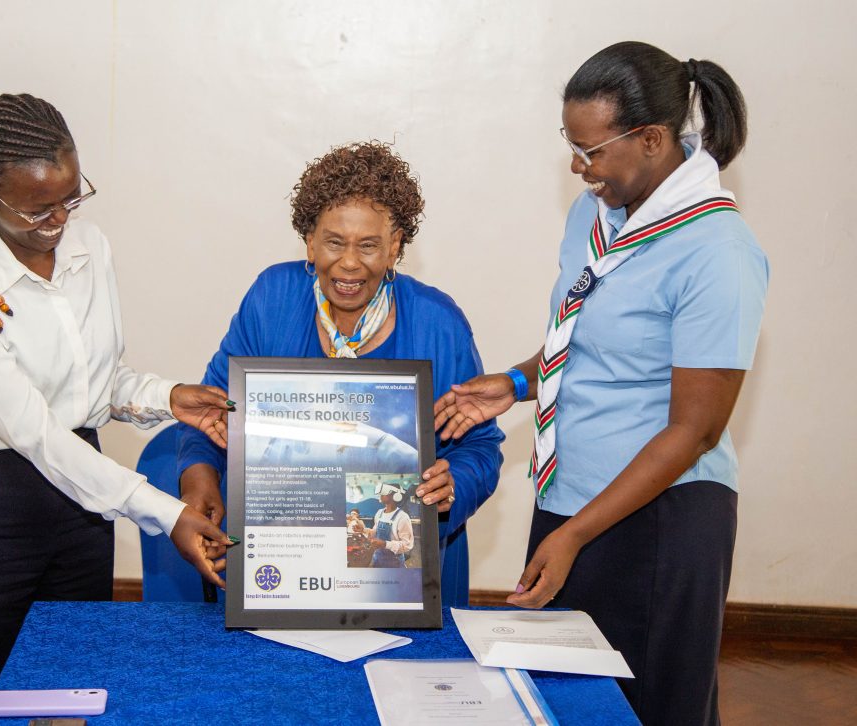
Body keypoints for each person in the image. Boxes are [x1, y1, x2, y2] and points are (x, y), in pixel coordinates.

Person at [434, 43, 768, 726]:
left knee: (646, 707)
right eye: (573, 147)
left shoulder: (719, 252)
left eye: (592, 152)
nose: (578, 167)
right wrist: (517, 382)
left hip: (658, 521)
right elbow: (586, 341)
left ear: (650, 140)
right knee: (557, 699)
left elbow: (694, 429)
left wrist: (576, 535)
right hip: (570, 498)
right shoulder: (594, 216)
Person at [0, 94, 234, 726]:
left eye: (70, 198)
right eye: (37, 208)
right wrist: (165, 513)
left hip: (83, 506)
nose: (59, 219)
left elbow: (95, 379)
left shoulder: (90, 248)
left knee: (69, 697)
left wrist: (164, 396)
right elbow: (32, 429)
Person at [176, 141, 504, 606]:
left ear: (395, 248)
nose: (349, 262)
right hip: (279, 563)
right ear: (309, 242)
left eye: (369, 245)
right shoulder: (271, 301)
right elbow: (212, 414)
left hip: (402, 582)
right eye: (334, 242)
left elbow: (481, 447)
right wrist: (200, 480)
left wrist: (458, 482)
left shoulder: (438, 323)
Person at [358, 482, 415, 567]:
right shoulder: (379, 513)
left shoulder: (402, 517)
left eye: (384, 492)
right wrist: (363, 530)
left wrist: (385, 544)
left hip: (394, 563)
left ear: (396, 495)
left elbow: (407, 545)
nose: (381, 494)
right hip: (377, 559)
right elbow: (375, 532)